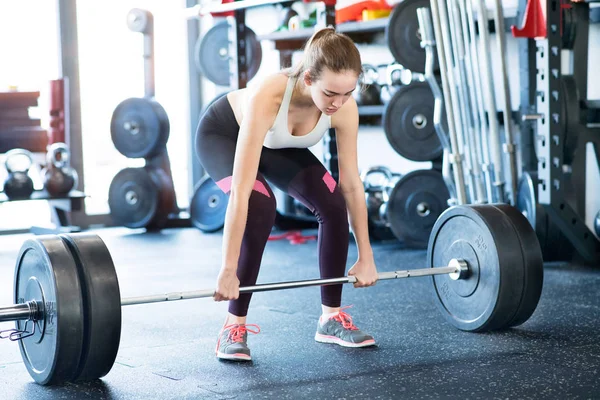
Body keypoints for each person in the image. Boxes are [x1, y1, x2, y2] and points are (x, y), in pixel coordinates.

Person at [195, 27, 379, 361]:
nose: (338, 103)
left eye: (348, 93)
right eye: (331, 94)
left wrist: (366, 256)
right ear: (308, 79)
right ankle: (232, 325)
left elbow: (351, 183)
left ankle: (331, 318)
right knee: (260, 203)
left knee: (333, 201)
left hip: (275, 142)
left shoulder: (343, 107)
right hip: (224, 134)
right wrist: (227, 268)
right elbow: (239, 191)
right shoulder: (271, 95)